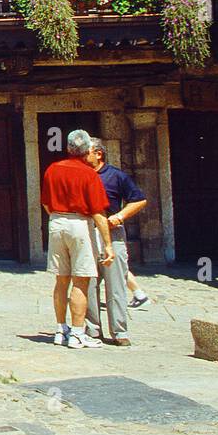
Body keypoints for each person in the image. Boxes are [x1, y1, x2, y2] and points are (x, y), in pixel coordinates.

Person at [40, 129, 114, 349]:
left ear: (68, 148)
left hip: (56, 222)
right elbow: (98, 212)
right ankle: (78, 333)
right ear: (87, 151)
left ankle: (60, 328)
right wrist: (108, 243)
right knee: (81, 280)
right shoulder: (89, 174)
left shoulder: (53, 169)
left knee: (61, 280)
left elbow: (45, 202)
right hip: (79, 224)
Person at [85, 137, 148, 346]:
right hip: (87, 233)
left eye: (86, 152)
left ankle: (119, 331)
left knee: (116, 284)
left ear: (98, 154)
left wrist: (120, 216)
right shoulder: (80, 175)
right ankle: (92, 329)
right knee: (89, 282)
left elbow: (139, 199)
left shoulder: (116, 176)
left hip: (113, 233)